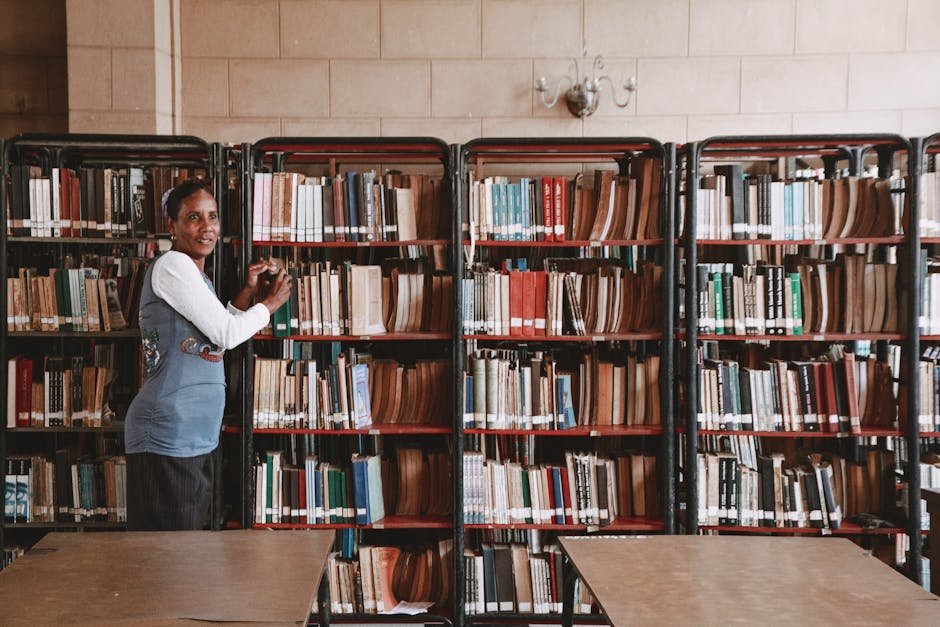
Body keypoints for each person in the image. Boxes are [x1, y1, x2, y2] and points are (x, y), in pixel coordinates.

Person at [124, 179, 291, 530]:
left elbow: (213, 337)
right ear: (172, 226)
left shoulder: (197, 276)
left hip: (194, 435)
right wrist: (270, 304)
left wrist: (246, 293)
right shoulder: (173, 265)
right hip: (168, 433)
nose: (208, 227)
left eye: (213, 217)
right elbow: (228, 335)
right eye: (194, 218)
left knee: (189, 560)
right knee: (172, 561)